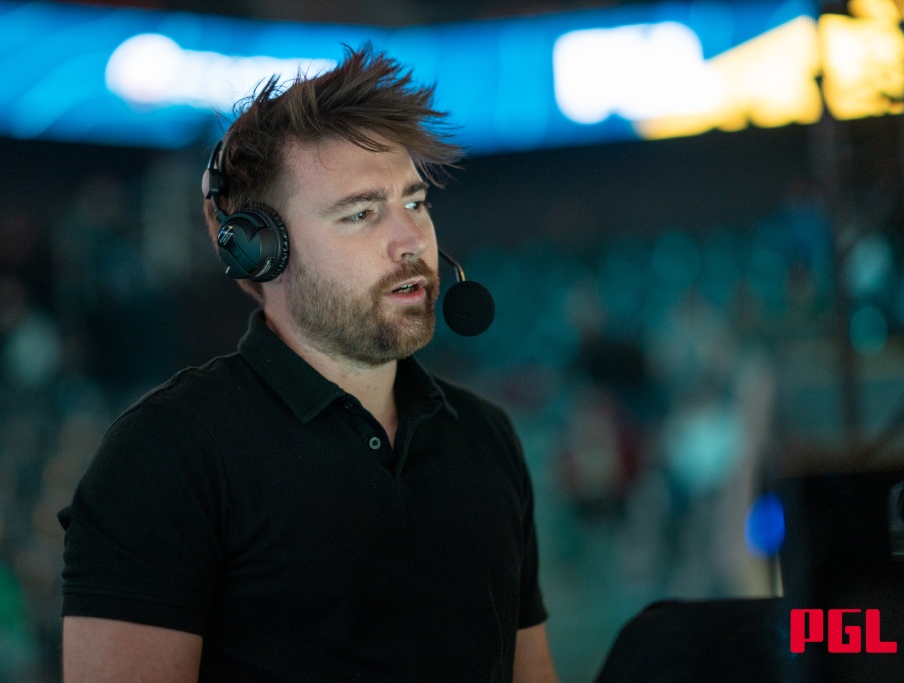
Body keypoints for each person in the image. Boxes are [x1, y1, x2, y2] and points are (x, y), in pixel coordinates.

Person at [58, 44, 557, 682]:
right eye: (361, 213)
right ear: (259, 250)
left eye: (414, 203)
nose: (411, 241)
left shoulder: (488, 437)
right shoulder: (165, 455)